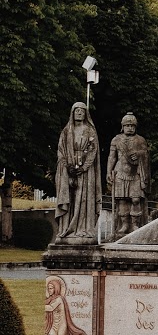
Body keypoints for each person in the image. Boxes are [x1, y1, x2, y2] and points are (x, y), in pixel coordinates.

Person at [54, 102, 102, 243]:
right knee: (70, 197)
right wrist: (67, 165)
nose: (79, 113)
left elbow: (93, 151)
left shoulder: (90, 131)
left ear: (86, 114)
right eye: (77, 111)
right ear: (72, 113)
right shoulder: (67, 131)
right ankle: (67, 229)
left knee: (84, 199)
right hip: (68, 169)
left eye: (82, 111)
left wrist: (84, 167)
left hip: (85, 172)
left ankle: (83, 229)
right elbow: (60, 150)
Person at [107, 113, 150, 238]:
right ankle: (124, 225)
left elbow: (145, 154)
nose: (130, 128)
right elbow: (112, 157)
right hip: (120, 172)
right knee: (122, 200)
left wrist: (139, 154)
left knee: (135, 199)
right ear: (123, 126)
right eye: (127, 125)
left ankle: (135, 224)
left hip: (135, 173)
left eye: (132, 125)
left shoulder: (140, 140)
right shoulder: (116, 140)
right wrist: (109, 171)